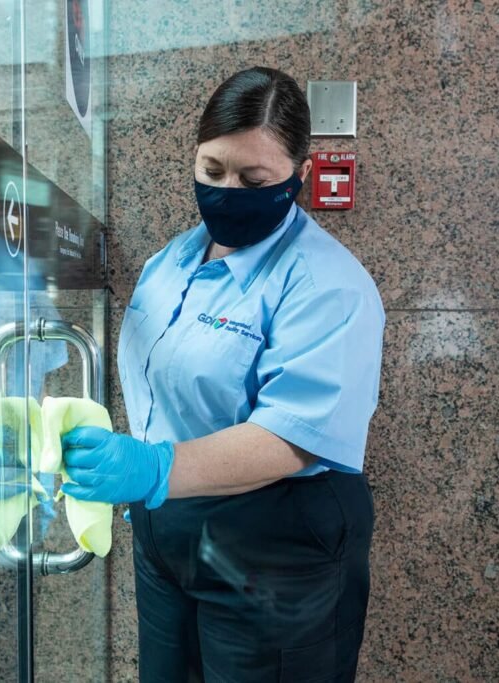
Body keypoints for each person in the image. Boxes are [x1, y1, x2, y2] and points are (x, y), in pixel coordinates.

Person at [61, 67, 385, 682]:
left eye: (252, 179)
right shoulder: (172, 261)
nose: (226, 191)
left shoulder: (326, 285)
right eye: (211, 171)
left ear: (299, 176)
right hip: (169, 526)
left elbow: (293, 437)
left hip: (275, 539)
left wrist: (152, 467)